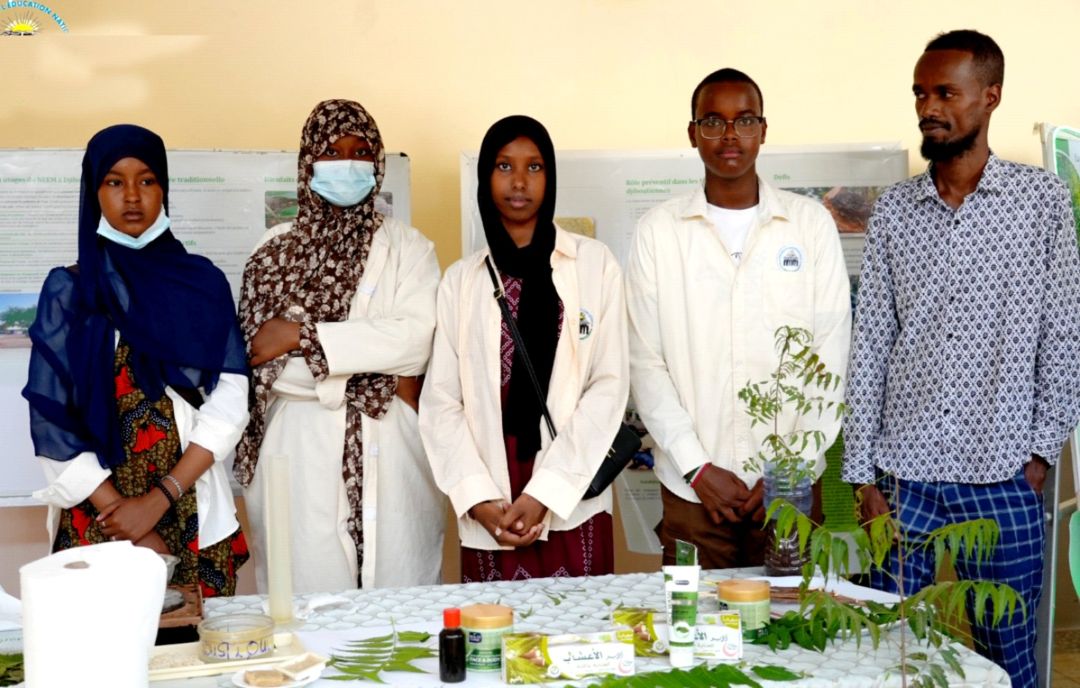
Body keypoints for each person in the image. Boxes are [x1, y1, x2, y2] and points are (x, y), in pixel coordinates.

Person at [842, 30, 1080, 687]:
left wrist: (1037, 453)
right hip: (902, 483)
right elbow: (871, 347)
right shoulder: (894, 211)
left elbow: (1064, 335)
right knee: (884, 660)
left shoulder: (1040, 203)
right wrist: (864, 479)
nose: (929, 106)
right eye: (921, 93)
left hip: (1003, 477)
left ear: (990, 97)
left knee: (1007, 662)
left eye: (946, 91)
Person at [625, 68, 851, 568]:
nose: (730, 135)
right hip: (693, 494)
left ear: (763, 131)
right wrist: (696, 468)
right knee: (699, 637)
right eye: (713, 121)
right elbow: (645, 361)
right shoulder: (658, 232)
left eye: (744, 120)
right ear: (692, 133)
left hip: (788, 489)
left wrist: (784, 471)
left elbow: (830, 356)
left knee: (788, 633)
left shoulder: (809, 224)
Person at [23, 124, 251, 597]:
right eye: (114, 181)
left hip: (190, 505)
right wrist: (125, 517)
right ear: (94, 192)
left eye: (147, 180)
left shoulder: (202, 284)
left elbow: (231, 398)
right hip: (99, 520)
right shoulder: (71, 292)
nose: (132, 196)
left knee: (199, 661)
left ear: (163, 189)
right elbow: (51, 418)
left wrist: (158, 499)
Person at [235, 99, 445, 593]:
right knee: (305, 609)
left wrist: (302, 335)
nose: (348, 163)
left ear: (378, 163)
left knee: (398, 607)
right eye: (332, 151)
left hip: (392, 446)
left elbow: (415, 341)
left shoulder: (410, 248)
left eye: (360, 151)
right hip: (297, 446)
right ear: (309, 161)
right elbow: (267, 365)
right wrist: (377, 370)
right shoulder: (273, 253)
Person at [420, 115, 627, 581]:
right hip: (490, 481)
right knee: (495, 638)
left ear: (550, 177)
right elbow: (440, 400)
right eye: (503, 166)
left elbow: (608, 387)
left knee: (579, 637)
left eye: (534, 167)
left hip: (571, 480)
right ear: (484, 177)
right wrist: (478, 499)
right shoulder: (462, 280)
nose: (519, 181)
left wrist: (545, 494)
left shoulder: (594, 265)